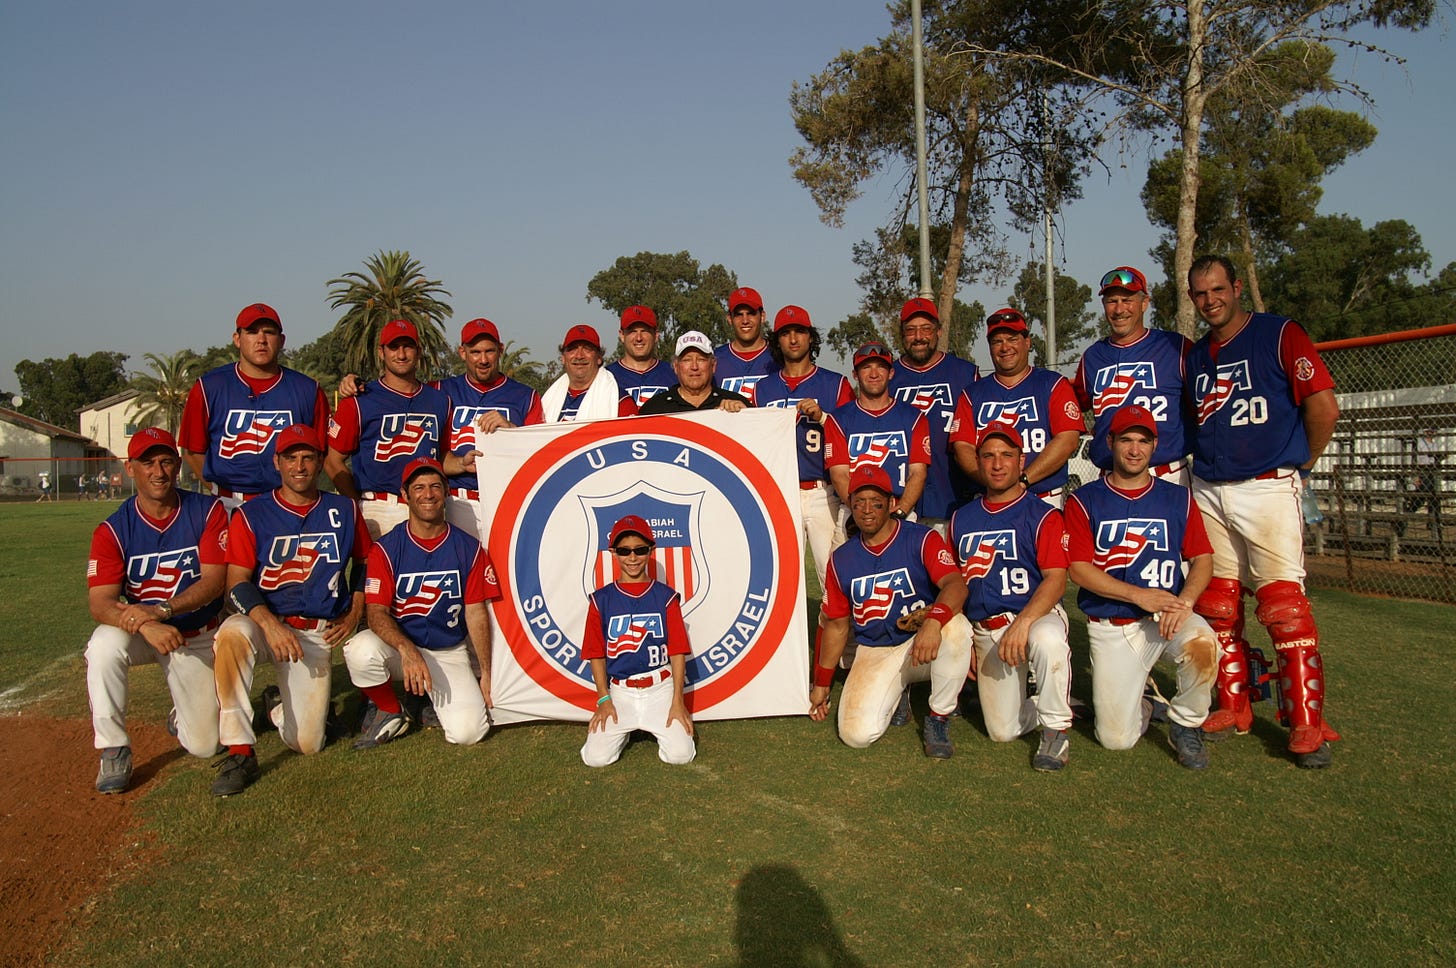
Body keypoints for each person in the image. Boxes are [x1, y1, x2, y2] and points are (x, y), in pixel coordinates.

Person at [1184, 255, 1341, 768]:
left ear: (1236, 289)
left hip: (1267, 485)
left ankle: (1305, 724)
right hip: (1209, 487)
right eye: (1200, 293)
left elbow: (1323, 406)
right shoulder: (1198, 355)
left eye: (1218, 289)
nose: (1211, 300)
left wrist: (1300, 464)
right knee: (1218, 604)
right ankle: (1235, 705)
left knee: (1283, 606)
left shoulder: (1279, 334)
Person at [210, 424, 370, 796]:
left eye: (308, 457)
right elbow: (236, 581)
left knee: (308, 744)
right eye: (291, 457)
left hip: (315, 630)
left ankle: (276, 704)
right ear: (277, 463)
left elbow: (364, 561)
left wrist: (355, 609)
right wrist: (268, 623)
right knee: (233, 633)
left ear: (318, 463)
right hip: (266, 623)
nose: (299, 466)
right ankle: (239, 749)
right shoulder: (253, 513)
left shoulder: (343, 509)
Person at [1064, 404, 1219, 769]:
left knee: (1203, 646)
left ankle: (1185, 723)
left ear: (1154, 446)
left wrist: (1185, 602)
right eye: (1127, 440)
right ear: (1111, 442)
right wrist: (1138, 596)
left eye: (1143, 441)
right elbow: (1079, 570)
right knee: (1116, 740)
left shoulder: (1178, 497)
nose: (1135, 449)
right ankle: (1147, 704)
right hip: (1114, 624)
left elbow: (1203, 560)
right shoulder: (1085, 500)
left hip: (1168, 616)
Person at [83, 427, 229, 793]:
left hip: (196, 632)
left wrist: (161, 611)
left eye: (166, 461)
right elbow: (100, 603)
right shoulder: (113, 530)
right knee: (103, 646)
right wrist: (147, 625)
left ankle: (181, 713)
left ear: (178, 465)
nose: (158, 471)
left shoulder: (206, 510)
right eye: (147, 462)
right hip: (147, 632)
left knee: (206, 744)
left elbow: (214, 581)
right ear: (130, 468)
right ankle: (113, 747)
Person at [810, 465, 973, 758]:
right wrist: (822, 683)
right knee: (856, 735)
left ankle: (938, 717)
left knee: (957, 628)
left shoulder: (921, 538)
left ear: (892, 503)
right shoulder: (842, 559)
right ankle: (899, 693)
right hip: (876, 649)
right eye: (859, 502)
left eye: (876, 501)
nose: (867, 510)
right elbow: (835, 625)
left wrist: (934, 622)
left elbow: (956, 585)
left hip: (922, 640)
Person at [344, 458, 499, 749]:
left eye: (435, 487)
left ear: (446, 492)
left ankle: (426, 699)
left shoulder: (468, 547)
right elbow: (375, 613)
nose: (427, 494)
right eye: (418, 487)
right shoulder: (386, 548)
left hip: (447, 652)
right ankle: (391, 710)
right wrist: (405, 649)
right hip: (401, 648)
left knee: (468, 733)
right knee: (359, 651)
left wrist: (487, 673)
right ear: (405, 495)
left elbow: (476, 612)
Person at [948, 424, 1073, 771]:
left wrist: (1025, 622)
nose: (998, 464)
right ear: (979, 462)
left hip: (1035, 614)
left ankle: (1056, 729)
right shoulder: (961, 518)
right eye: (989, 456)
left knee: (1047, 640)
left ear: (1021, 462)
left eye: (1007, 455)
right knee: (1002, 731)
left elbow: (1056, 580)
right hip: (987, 628)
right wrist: (965, 641)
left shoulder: (1042, 513)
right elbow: (956, 583)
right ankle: (1052, 696)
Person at [178, 303, 329, 508]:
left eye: (269, 332)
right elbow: (192, 451)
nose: (261, 340)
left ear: (281, 340)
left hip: (287, 503)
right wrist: (218, 490)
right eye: (252, 332)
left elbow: (320, 453)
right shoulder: (208, 387)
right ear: (237, 339)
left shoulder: (308, 390)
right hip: (227, 502)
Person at [753, 305, 855, 590]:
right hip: (782, 493)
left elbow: (854, 436)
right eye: (785, 333)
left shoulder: (835, 384)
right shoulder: (763, 389)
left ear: (811, 338)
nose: (793, 339)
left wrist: (823, 417)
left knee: (833, 579)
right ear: (777, 341)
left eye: (800, 331)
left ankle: (842, 636)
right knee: (783, 580)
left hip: (825, 491)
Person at [581, 515, 696, 767]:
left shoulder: (665, 597)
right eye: (624, 551)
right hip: (620, 691)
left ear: (650, 551)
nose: (632, 558)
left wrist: (678, 701)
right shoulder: (601, 600)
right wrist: (603, 699)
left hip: (660, 689)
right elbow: (595, 652)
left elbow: (677, 651)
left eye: (640, 550)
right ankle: (626, 729)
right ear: (614, 553)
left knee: (680, 755)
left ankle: (644, 725)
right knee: (595, 759)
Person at [325, 319, 453, 540]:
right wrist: (356, 503)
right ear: (381, 352)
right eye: (394, 347)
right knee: (372, 573)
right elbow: (332, 460)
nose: (401, 355)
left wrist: (464, 463)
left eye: (408, 347)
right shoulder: (359, 399)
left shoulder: (440, 400)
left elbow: (442, 456)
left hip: (428, 505)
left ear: (419, 351)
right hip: (379, 507)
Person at [950, 308, 1083, 508]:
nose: (1005, 347)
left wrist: (1023, 480)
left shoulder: (1052, 384)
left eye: (1012, 339)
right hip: (989, 499)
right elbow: (963, 447)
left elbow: (1068, 439)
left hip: (1042, 497)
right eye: (997, 341)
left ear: (1027, 342)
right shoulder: (972, 394)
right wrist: (993, 482)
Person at [1074, 267, 1194, 485]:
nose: (1119, 309)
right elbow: (1073, 408)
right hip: (1111, 477)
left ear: (1144, 303)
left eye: (1127, 300)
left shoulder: (1175, 347)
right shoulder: (1092, 357)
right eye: (1112, 301)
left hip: (1167, 475)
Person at [436, 317, 545, 538]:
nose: (483, 359)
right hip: (458, 501)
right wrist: (354, 385)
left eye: (490, 351)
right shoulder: (440, 390)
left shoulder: (525, 395)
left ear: (501, 350)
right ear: (462, 352)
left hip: (505, 501)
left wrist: (511, 430)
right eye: (475, 352)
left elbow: (540, 456)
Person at [890, 297, 981, 528]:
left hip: (953, 496)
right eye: (911, 330)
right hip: (899, 499)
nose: (919, 336)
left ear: (938, 331)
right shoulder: (887, 376)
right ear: (901, 333)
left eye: (926, 329)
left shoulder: (965, 374)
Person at [823, 341, 932, 514]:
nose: (874, 374)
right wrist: (861, 512)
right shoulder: (838, 419)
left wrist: (901, 510)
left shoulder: (913, 417)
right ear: (855, 375)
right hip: (854, 509)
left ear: (891, 373)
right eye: (866, 367)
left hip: (898, 507)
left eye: (881, 367)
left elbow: (918, 473)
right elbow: (839, 475)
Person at [637, 332, 752, 414]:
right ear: (676, 366)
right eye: (687, 360)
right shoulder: (654, 409)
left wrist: (746, 415)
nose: (694, 367)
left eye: (701, 359)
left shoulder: (736, 403)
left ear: (713, 365)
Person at [541, 325, 637, 421]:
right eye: (573, 349)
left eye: (587, 349)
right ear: (563, 358)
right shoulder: (546, 402)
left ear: (599, 358)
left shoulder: (619, 401)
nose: (579, 356)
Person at [714, 286, 776, 404]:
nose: (745, 320)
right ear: (729, 319)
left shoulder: (778, 356)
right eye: (738, 314)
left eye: (751, 313)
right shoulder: (715, 359)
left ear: (762, 316)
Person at [606, 305, 674, 409]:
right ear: (622, 335)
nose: (639, 338)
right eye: (632, 331)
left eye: (645, 331)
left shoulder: (674, 374)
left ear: (656, 335)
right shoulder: (607, 377)